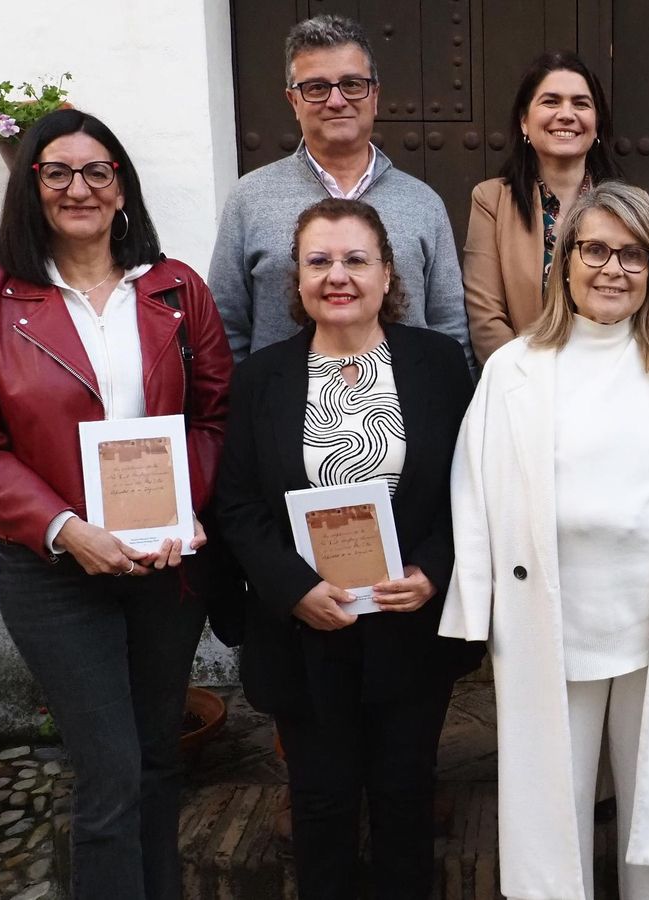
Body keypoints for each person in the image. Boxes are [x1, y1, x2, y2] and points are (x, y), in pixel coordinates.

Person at [0, 108, 232, 900]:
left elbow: (214, 416)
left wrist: (186, 506)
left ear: (123, 189)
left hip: (166, 565)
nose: (79, 187)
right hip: (55, 571)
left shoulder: (176, 290)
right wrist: (68, 530)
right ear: (30, 188)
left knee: (158, 756)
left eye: (98, 171)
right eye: (57, 171)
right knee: (109, 769)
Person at [440, 181, 649, 900]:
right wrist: (474, 612)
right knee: (552, 814)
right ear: (564, 262)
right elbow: (473, 488)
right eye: (595, 249)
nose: (612, 268)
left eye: (632, 254)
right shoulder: (514, 368)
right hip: (551, 619)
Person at [215, 198, 482, 899]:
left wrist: (433, 571)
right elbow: (237, 506)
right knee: (321, 806)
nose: (339, 275)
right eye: (320, 261)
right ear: (296, 281)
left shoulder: (439, 366)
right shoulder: (261, 379)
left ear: (388, 274)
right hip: (305, 631)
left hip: (410, 624)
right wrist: (292, 589)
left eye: (356, 259)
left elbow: (472, 486)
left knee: (405, 799)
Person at [209, 14, 470, 365]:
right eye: (316, 87)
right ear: (293, 101)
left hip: (407, 413)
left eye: (351, 84)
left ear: (374, 95)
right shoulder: (248, 199)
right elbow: (225, 331)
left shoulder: (423, 202)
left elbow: (450, 328)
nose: (336, 101)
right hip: (283, 412)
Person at [463, 49, 622, 364]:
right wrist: (534, 384)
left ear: (596, 121)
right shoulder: (491, 201)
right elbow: (486, 319)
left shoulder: (630, 207)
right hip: (525, 390)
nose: (566, 114)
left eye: (581, 103)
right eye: (551, 101)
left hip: (615, 386)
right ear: (524, 121)